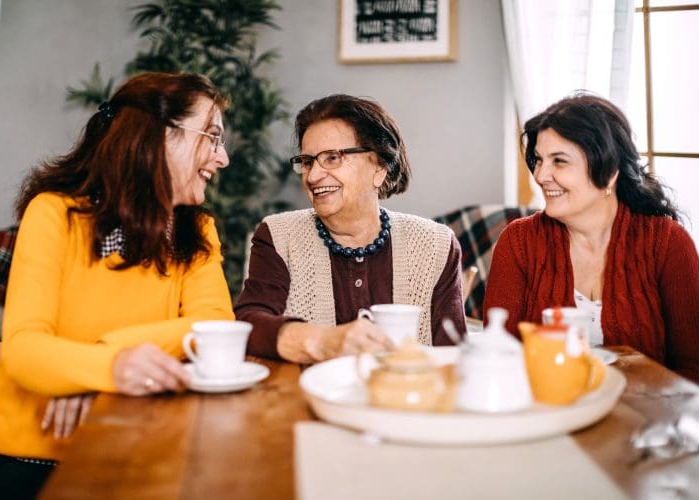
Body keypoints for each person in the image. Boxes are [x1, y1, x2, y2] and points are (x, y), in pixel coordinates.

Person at [0, 72, 235, 499]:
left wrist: (98, 366)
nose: (223, 158)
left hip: (131, 453)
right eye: (212, 137)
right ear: (160, 135)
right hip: (23, 462)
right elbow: (23, 349)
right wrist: (113, 370)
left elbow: (215, 324)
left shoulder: (197, 232)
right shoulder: (53, 214)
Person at [483, 92, 699, 382]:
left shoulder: (667, 243)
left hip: (646, 421)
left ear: (608, 172)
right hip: (547, 417)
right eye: (538, 160)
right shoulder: (518, 243)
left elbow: (693, 369)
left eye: (559, 161)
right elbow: (497, 360)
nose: (541, 175)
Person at [234, 94, 466, 363]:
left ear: (379, 167)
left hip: (404, 402)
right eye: (308, 161)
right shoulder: (277, 236)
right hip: (304, 402)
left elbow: (453, 356)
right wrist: (323, 342)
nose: (313, 175)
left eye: (332, 158)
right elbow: (248, 325)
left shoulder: (436, 245)